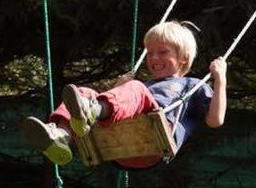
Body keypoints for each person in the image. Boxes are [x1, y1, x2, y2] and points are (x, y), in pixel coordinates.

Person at [20, 20, 227, 170]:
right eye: (150, 52)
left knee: (136, 89)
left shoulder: (191, 85)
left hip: (153, 142)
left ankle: (94, 109)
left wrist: (220, 80)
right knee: (83, 92)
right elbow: (132, 97)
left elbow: (215, 120)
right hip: (116, 147)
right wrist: (116, 90)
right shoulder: (143, 86)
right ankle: (61, 136)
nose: (154, 58)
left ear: (184, 58)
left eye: (163, 52)